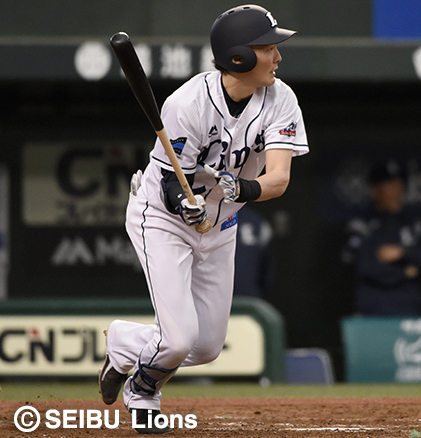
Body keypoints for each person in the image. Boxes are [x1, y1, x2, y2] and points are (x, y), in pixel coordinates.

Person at [99, 5, 308, 434]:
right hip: (162, 219)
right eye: (268, 48)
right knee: (177, 340)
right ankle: (143, 392)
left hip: (222, 224)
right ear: (239, 57)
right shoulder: (188, 102)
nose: (277, 56)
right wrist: (183, 203)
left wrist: (238, 189)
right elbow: (169, 180)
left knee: (207, 346)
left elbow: (278, 179)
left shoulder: (281, 98)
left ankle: (124, 343)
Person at [344, 160, 421, 316]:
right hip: (373, 309)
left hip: (409, 308)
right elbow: (367, 268)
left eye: (399, 185)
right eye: (390, 186)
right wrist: (406, 272)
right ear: (374, 190)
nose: (397, 191)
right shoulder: (362, 225)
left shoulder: (411, 224)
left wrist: (403, 252)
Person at [233, 207, 274, 298]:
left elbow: (266, 269)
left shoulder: (259, 224)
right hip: (213, 295)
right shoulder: (207, 221)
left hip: (248, 296)